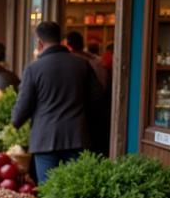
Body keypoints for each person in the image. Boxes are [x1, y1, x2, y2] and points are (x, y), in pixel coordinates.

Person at [12, 21, 104, 183]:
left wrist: (16, 122)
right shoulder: (82, 65)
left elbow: (21, 111)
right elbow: (97, 100)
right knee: (74, 193)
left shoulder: (33, 69)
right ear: (62, 39)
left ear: (40, 43)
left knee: (49, 195)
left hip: (45, 140)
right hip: (77, 137)